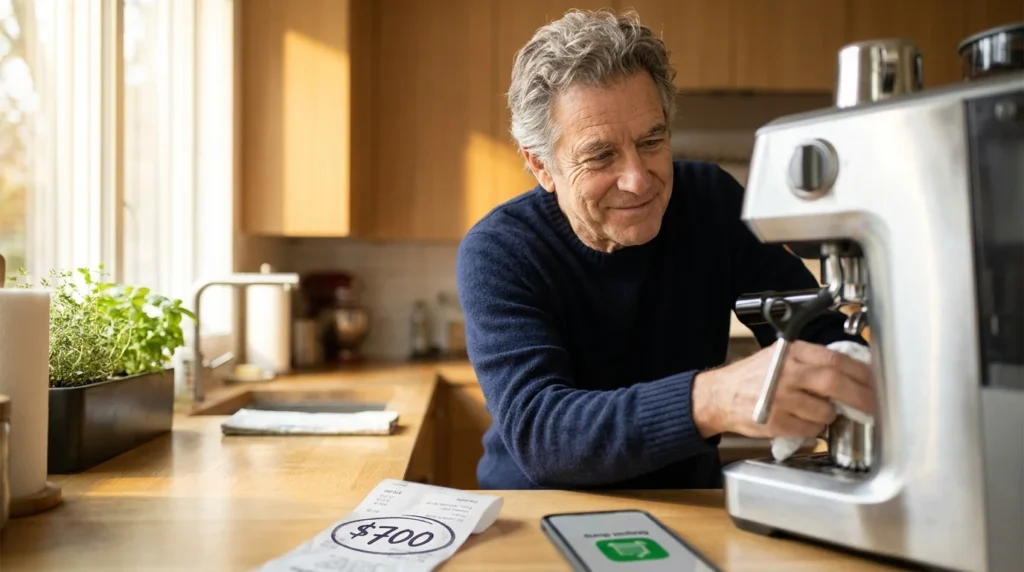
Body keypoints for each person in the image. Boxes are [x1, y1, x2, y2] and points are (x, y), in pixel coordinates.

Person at [455, 9, 872, 491]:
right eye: (600, 156)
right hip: (537, 510)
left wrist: (848, 376)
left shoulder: (711, 202)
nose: (637, 179)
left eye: (652, 141)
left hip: (688, 501)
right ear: (541, 166)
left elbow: (816, 331)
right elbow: (543, 436)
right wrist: (713, 399)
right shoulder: (499, 252)